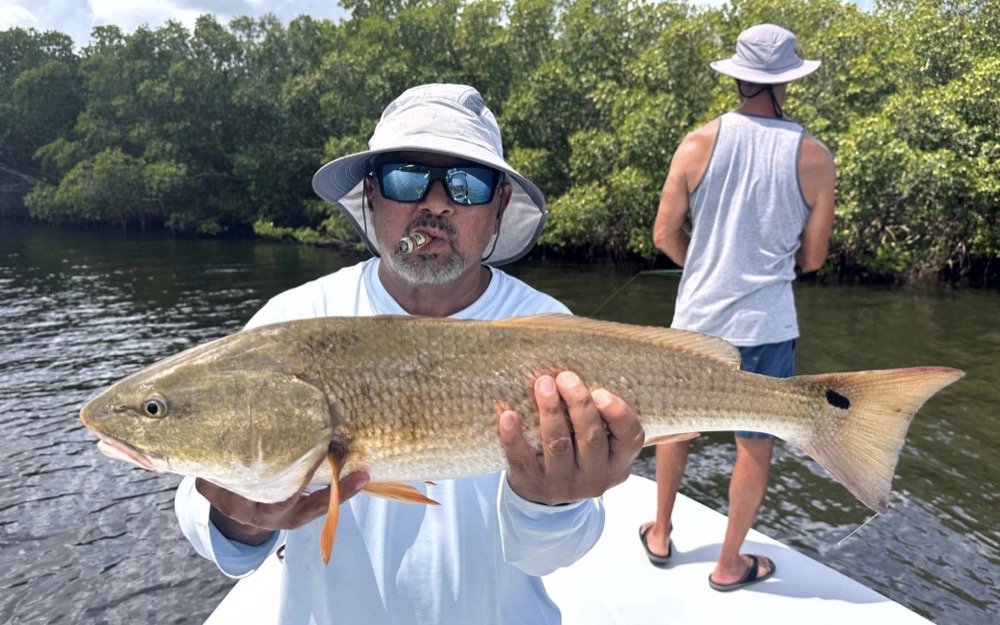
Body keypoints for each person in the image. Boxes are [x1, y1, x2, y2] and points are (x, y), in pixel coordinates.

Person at [174, 83, 645, 624]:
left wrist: (552, 503)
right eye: (407, 177)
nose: (436, 203)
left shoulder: (554, 334)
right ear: (372, 195)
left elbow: (550, 556)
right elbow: (215, 535)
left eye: (466, 184)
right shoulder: (292, 320)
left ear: (499, 206)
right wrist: (242, 520)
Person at [640, 24, 836, 592]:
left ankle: (660, 533)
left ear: (739, 77)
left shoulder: (697, 143)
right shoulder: (815, 157)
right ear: (787, 83)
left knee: (674, 428)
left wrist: (701, 267)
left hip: (695, 324)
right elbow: (814, 259)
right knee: (755, 443)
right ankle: (729, 564)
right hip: (767, 326)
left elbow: (663, 233)